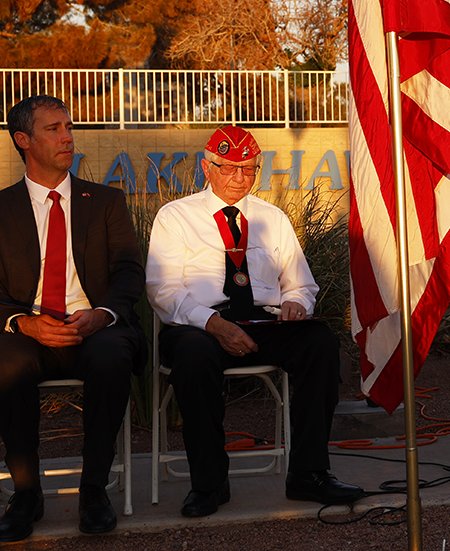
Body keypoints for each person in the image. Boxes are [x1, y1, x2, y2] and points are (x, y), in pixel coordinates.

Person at [145, 125, 363, 517]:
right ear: (206, 168)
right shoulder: (176, 216)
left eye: (248, 169)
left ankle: (308, 473)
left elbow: (300, 283)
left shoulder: (272, 218)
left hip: (265, 324)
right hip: (202, 327)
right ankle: (209, 483)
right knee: (192, 358)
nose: (239, 178)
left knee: (320, 343)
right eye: (228, 168)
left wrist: (296, 303)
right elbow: (163, 290)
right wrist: (213, 324)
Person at [0, 95, 146, 542]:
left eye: (68, 126)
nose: (67, 137)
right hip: (26, 331)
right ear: (23, 140)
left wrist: (102, 314)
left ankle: (94, 491)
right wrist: (24, 323)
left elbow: (128, 272)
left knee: (111, 358)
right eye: (53, 129)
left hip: (93, 328)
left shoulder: (105, 200)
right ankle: (26, 494)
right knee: (7, 364)